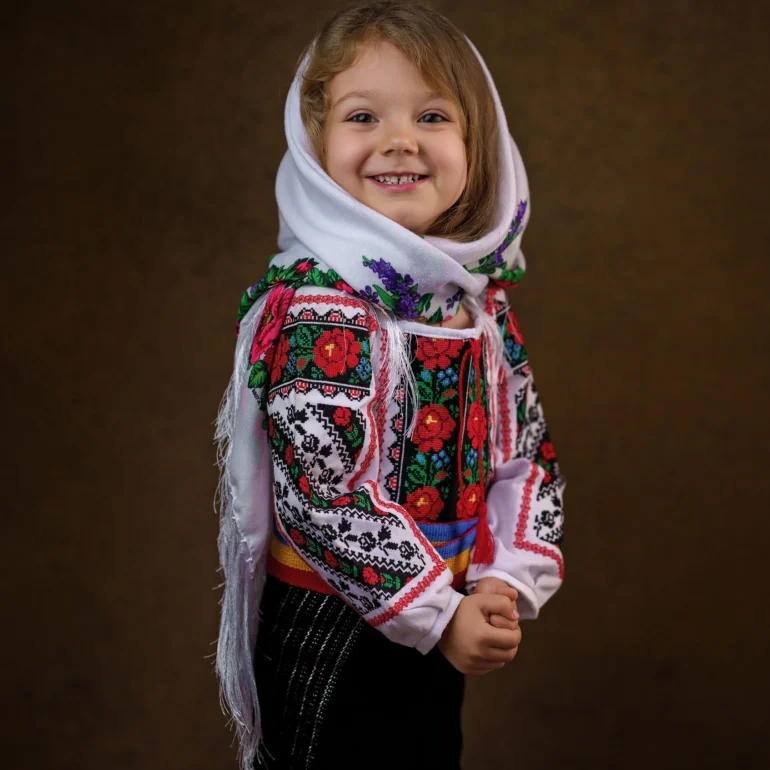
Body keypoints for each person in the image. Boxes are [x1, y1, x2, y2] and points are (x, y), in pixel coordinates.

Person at [214, 2, 565, 768]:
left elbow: (526, 453)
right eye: (363, 116)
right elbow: (323, 494)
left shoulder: (477, 306)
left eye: (433, 115)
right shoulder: (320, 307)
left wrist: (504, 581)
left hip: (449, 612)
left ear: (479, 143)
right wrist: (438, 613)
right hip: (336, 620)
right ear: (313, 144)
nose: (398, 140)